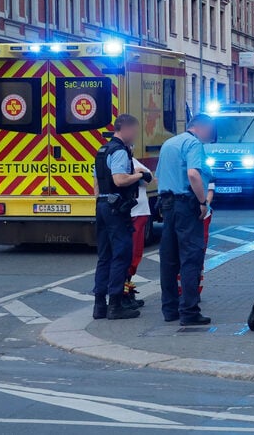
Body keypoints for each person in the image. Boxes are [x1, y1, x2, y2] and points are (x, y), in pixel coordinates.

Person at [157, 113, 215, 326]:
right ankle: (189, 311)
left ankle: (170, 309)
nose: (210, 134)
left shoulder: (169, 143)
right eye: (210, 130)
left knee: (169, 259)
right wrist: (202, 202)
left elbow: (159, 175)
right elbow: (193, 174)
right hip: (186, 205)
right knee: (190, 258)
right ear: (202, 127)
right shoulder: (193, 144)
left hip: (167, 204)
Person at [92, 114, 148, 321]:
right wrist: (140, 175)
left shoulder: (102, 150)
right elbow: (120, 179)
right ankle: (115, 305)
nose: (135, 135)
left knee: (104, 256)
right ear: (125, 128)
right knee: (121, 255)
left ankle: (99, 306)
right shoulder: (119, 151)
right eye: (134, 131)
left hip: (103, 205)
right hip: (116, 209)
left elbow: (96, 184)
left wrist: (103, 203)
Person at [123, 157, 153, 309]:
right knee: (131, 255)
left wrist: (140, 174)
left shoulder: (130, 159)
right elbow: (122, 179)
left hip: (137, 214)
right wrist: (139, 174)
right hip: (133, 214)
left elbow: (149, 178)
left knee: (135, 255)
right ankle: (124, 294)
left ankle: (127, 291)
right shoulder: (121, 158)